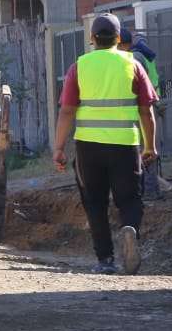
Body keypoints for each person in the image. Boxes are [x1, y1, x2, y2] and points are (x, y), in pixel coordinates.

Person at [53, 14, 158, 275]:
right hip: (125, 145)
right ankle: (130, 229)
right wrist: (149, 147)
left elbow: (67, 111)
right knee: (130, 199)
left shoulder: (80, 66)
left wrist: (58, 148)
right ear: (119, 38)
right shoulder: (132, 64)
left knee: (94, 202)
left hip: (88, 148)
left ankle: (105, 259)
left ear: (92, 39)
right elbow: (146, 111)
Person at [119, 28, 170, 200]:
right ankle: (151, 189)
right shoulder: (145, 56)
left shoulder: (134, 58)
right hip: (152, 104)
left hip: (144, 108)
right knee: (149, 148)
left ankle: (148, 191)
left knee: (145, 150)